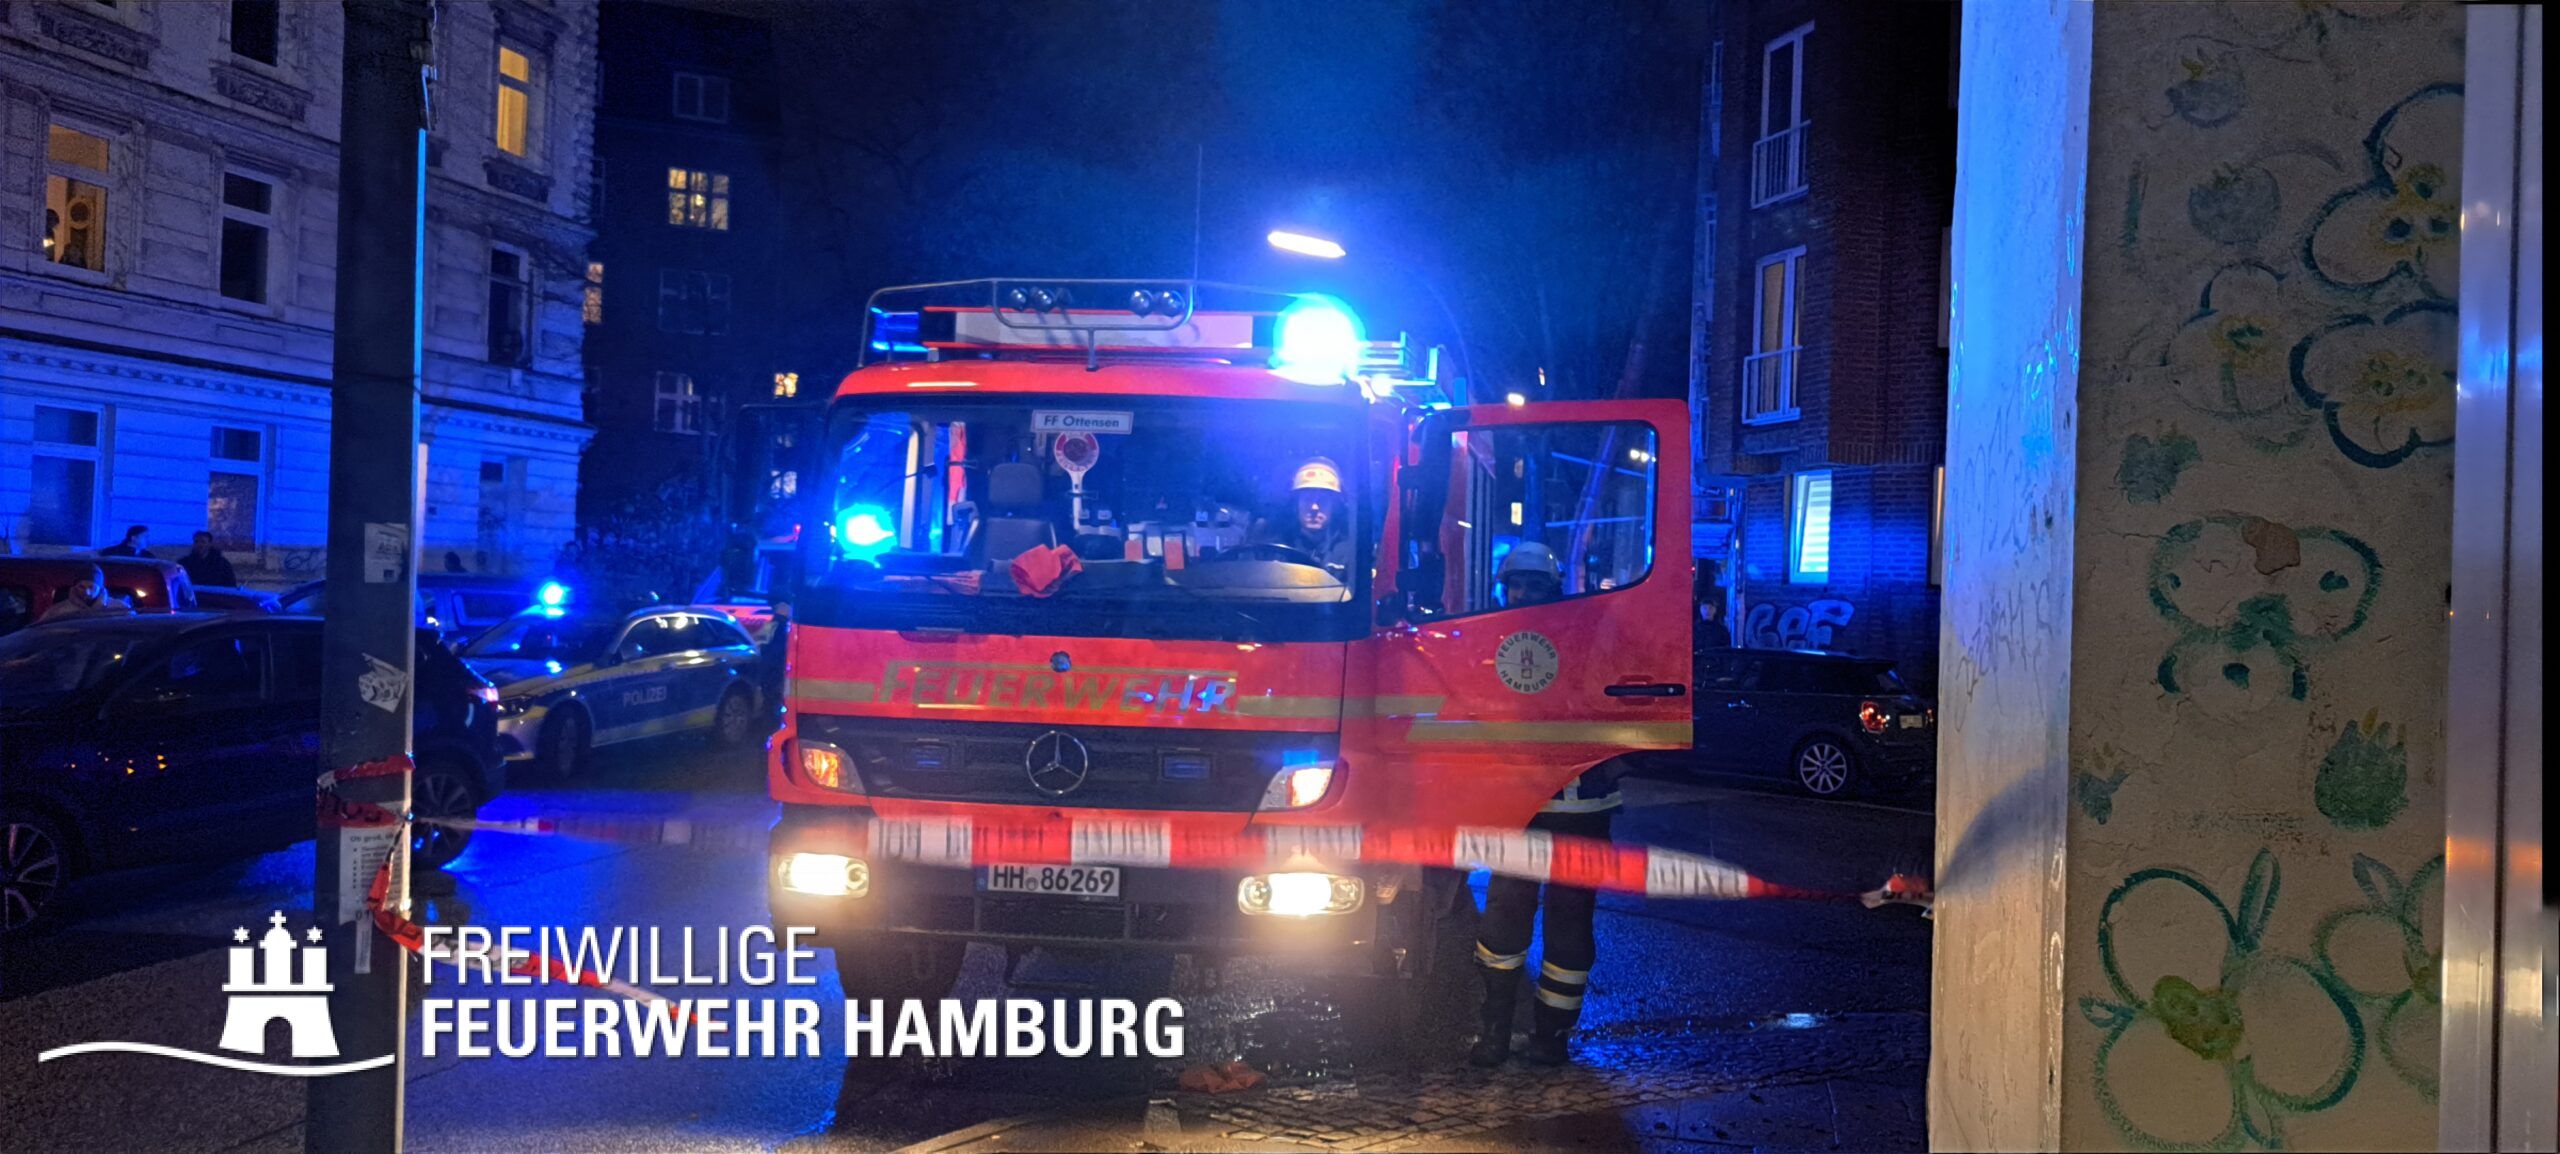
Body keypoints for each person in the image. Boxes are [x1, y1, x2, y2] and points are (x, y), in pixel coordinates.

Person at [1469, 540, 1620, 1068]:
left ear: (1553, 589)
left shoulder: (1581, 640)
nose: (1525, 594)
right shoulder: (1491, 643)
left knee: (1565, 928)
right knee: (1506, 924)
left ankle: (1548, 1037)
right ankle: (1499, 1030)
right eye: (1518, 585)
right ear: (1504, 589)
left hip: (1574, 810)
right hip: (1526, 809)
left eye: (1535, 585)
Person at [1249, 457, 1353, 576]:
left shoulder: (1351, 552)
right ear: (1295, 505)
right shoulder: (1274, 549)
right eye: (1307, 499)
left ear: (1335, 507)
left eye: (1323, 500)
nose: (1314, 507)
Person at [38, 565, 134, 624]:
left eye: (91, 587)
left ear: (100, 588)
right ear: (75, 587)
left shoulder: (121, 610)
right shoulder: (57, 612)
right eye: (81, 587)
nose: (87, 592)